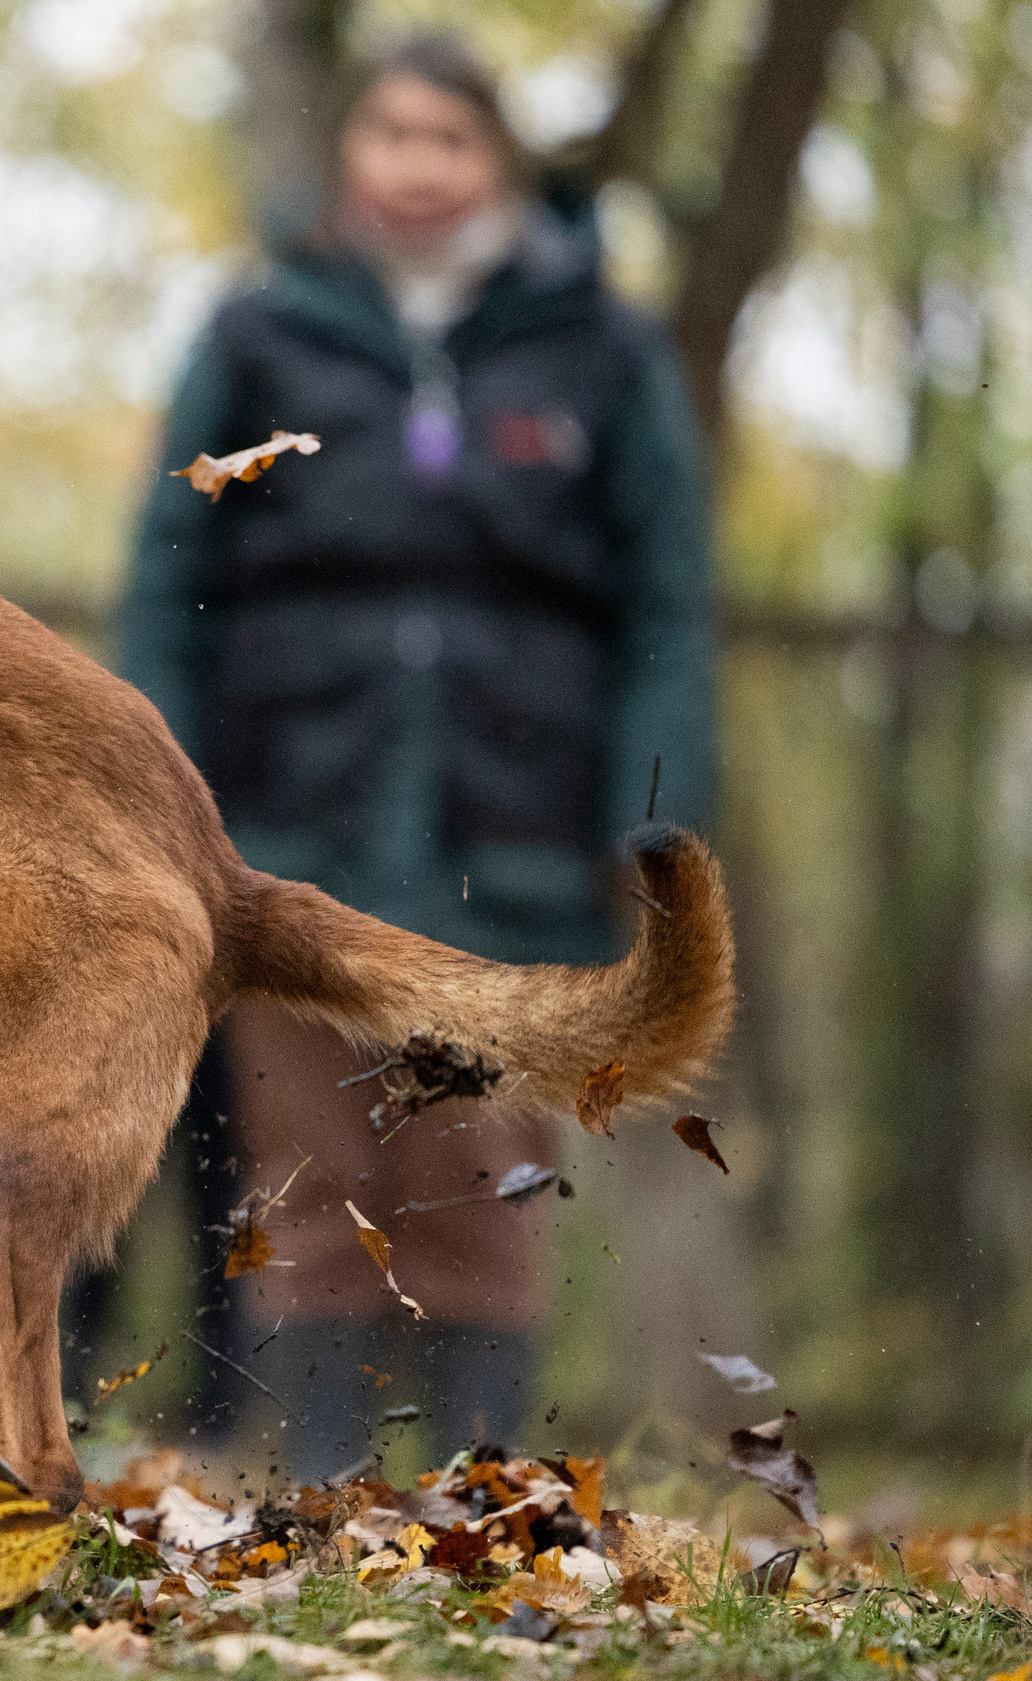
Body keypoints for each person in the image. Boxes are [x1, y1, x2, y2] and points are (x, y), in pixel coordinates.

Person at [118, 35, 715, 1482]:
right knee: (311, 1167)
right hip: (287, 821)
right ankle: (324, 1483)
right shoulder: (261, 336)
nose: (418, 162)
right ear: (351, 157)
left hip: (511, 830)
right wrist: (154, 802)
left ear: (496, 163)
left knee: (474, 1169)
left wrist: (656, 822)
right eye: (391, 132)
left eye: (451, 137)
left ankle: (483, 1480)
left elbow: (666, 610)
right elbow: (166, 574)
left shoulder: (602, 353)